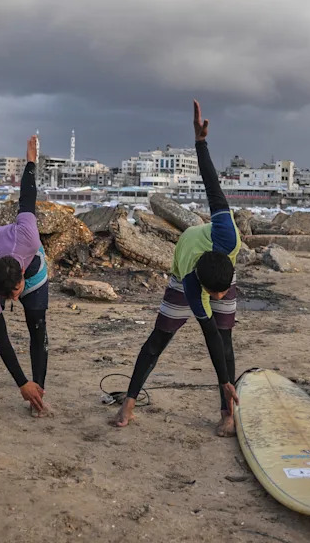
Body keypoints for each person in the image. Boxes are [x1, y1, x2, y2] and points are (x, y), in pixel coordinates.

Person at [112, 101, 242, 436]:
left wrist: (201, 143)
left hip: (214, 266)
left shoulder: (227, 236)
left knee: (226, 339)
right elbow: (207, 333)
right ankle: (128, 402)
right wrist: (224, 379)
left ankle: (227, 413)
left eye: (222, 292)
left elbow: (212, 185)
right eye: (215, 295)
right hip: (185, 269)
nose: (219, 298)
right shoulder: (191, 285)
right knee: (159, 338)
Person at [0, 134, 51, 417]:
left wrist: (31, 162)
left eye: (16, 292)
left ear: (20, 277)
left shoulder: (27, 236)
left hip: (33, 267)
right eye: (10, 297)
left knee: (37, 327)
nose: (15, 298)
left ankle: (38, 395)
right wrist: (20, 382)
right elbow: (1, 338)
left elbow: (27, 196)